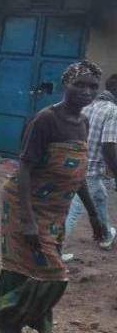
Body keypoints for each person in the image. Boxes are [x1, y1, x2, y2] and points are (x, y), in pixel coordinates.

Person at [0, 61, 107, 333]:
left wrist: (95, 215)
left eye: (92, 86)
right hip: (24, 203)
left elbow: (78, 174)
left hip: (56, 209)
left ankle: (29, 324)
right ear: (66, 85)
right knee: (54, 274)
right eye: (80, 84)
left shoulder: (84, 122)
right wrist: (28, 222)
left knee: (26, 267)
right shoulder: (46, 120)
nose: (87, 91)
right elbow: (25, 168)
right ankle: (4, 322)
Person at [63, 73, 117, 261]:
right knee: (75, 209)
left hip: (75, 163)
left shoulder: (88, 106)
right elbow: (108, 146)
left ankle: (105, 236)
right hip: (90, 170)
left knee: (100, 197)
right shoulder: (112, 111)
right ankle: (54, 251)